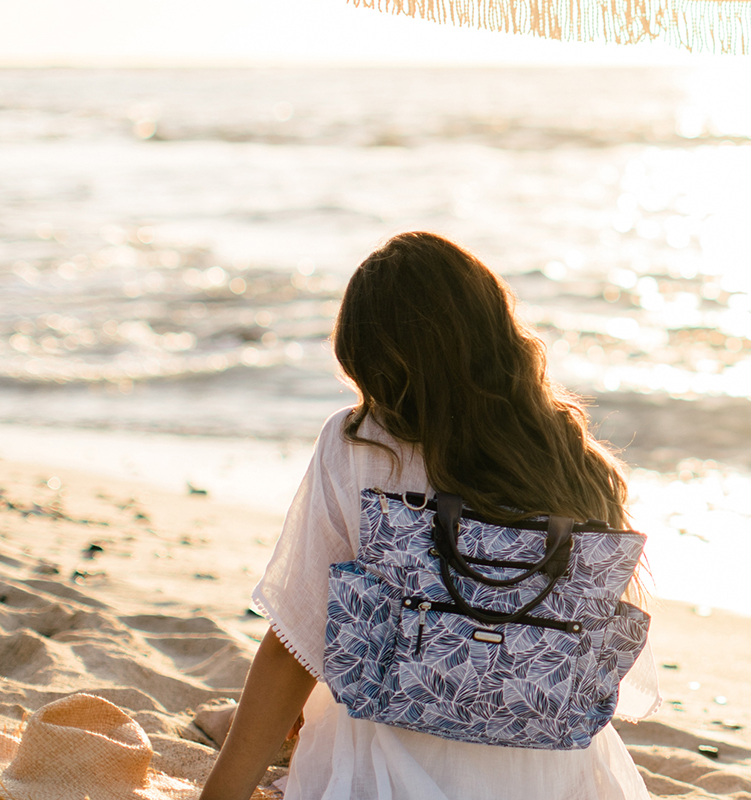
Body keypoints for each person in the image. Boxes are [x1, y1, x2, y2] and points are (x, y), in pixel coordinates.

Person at [200, 231, 658, 800]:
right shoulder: (571, 457)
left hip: (389, 766)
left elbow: (292, 643)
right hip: (549, 772)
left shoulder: (361, 442)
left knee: (347, 666)